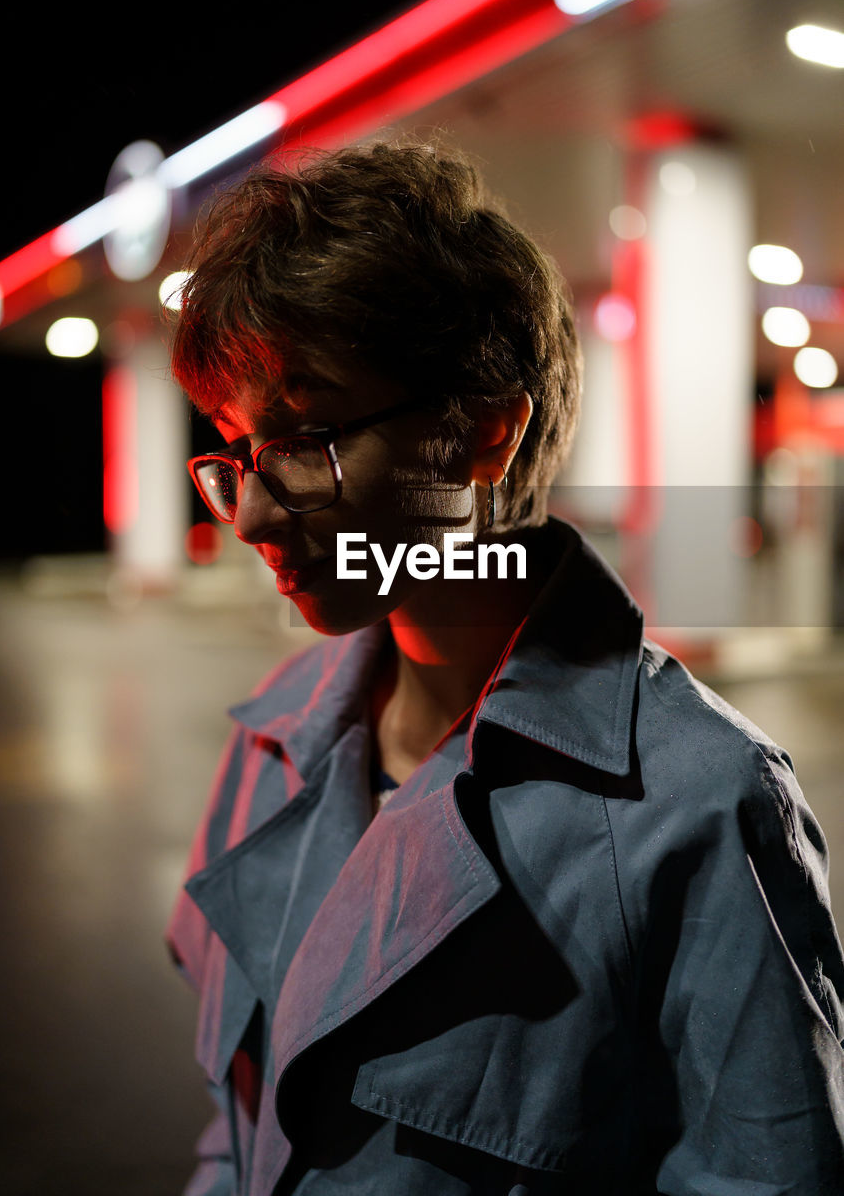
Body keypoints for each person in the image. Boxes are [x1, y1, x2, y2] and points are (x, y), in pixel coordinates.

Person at [166, 139, 844, 1196]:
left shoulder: (693, 801)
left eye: (305, 435)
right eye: (236, 445)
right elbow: (236, 1129)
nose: (252, 510)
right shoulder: (271, 738)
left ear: (482, 431)